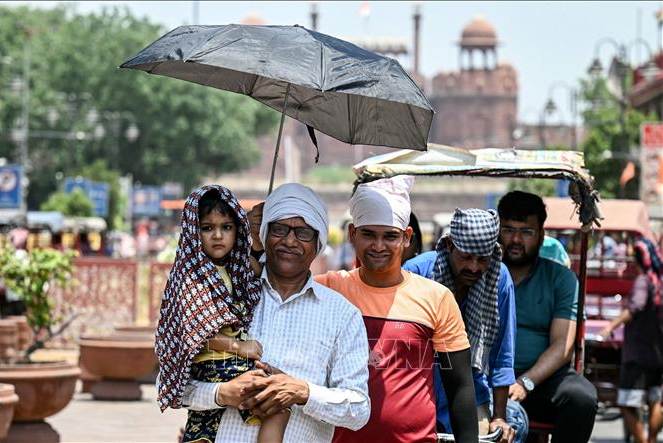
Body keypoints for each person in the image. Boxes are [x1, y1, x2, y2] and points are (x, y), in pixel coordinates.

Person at [182, 183, 370, 443]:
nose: (290, 241)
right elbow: (169, 385)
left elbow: (358, 410)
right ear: (264, 234)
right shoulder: (225, 297)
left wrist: (302, 392)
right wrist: (221, 393)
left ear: (318, 243)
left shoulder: (342, 315)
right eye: (279, 229)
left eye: (303, 233)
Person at [315, 176, 478, 443]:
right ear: (352, 234)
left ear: (407, 238)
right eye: (369, 234)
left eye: (390, 236)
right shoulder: (327, 289)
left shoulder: (436, 298)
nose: (379, 246)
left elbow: (459, 386)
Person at [155, 185, 289, 443]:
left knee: (205, 425)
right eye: (207, 228)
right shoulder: (191, 276)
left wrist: (257, 235)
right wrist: (240, 347)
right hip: (214, 362)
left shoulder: (231, 268)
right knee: (278, 402)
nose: (218, 236)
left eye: (227, 227)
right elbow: (198, 332)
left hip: (225, 362)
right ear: (194, 232)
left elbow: (254, 267)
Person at [404, 208, 520, 443]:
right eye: (466, 257)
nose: (474, 268)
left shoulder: (500, 278)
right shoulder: (416, 272)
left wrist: (499, 416)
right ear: (449, 246)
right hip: (415, 392)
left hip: (471, 394)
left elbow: (502, 355)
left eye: (482, 259)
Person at [497, 191, 597, 443]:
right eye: (508, 230)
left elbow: (562, 345)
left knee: (581, 397)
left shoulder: (560, 279)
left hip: (539, 382)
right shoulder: (480, 272)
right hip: (487, 378)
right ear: (497, 232)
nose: (516, 239)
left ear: (541, 236)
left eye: (526, 232)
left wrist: (525, 382)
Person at [598, 239, 663, 443]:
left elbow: (635, 307)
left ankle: (643, 441)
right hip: (658, 355)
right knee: (656, 401)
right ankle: (651, 440)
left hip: (638, 355)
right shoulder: (659, 281)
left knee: (626, 403)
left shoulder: (644, 281)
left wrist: (610, 326)